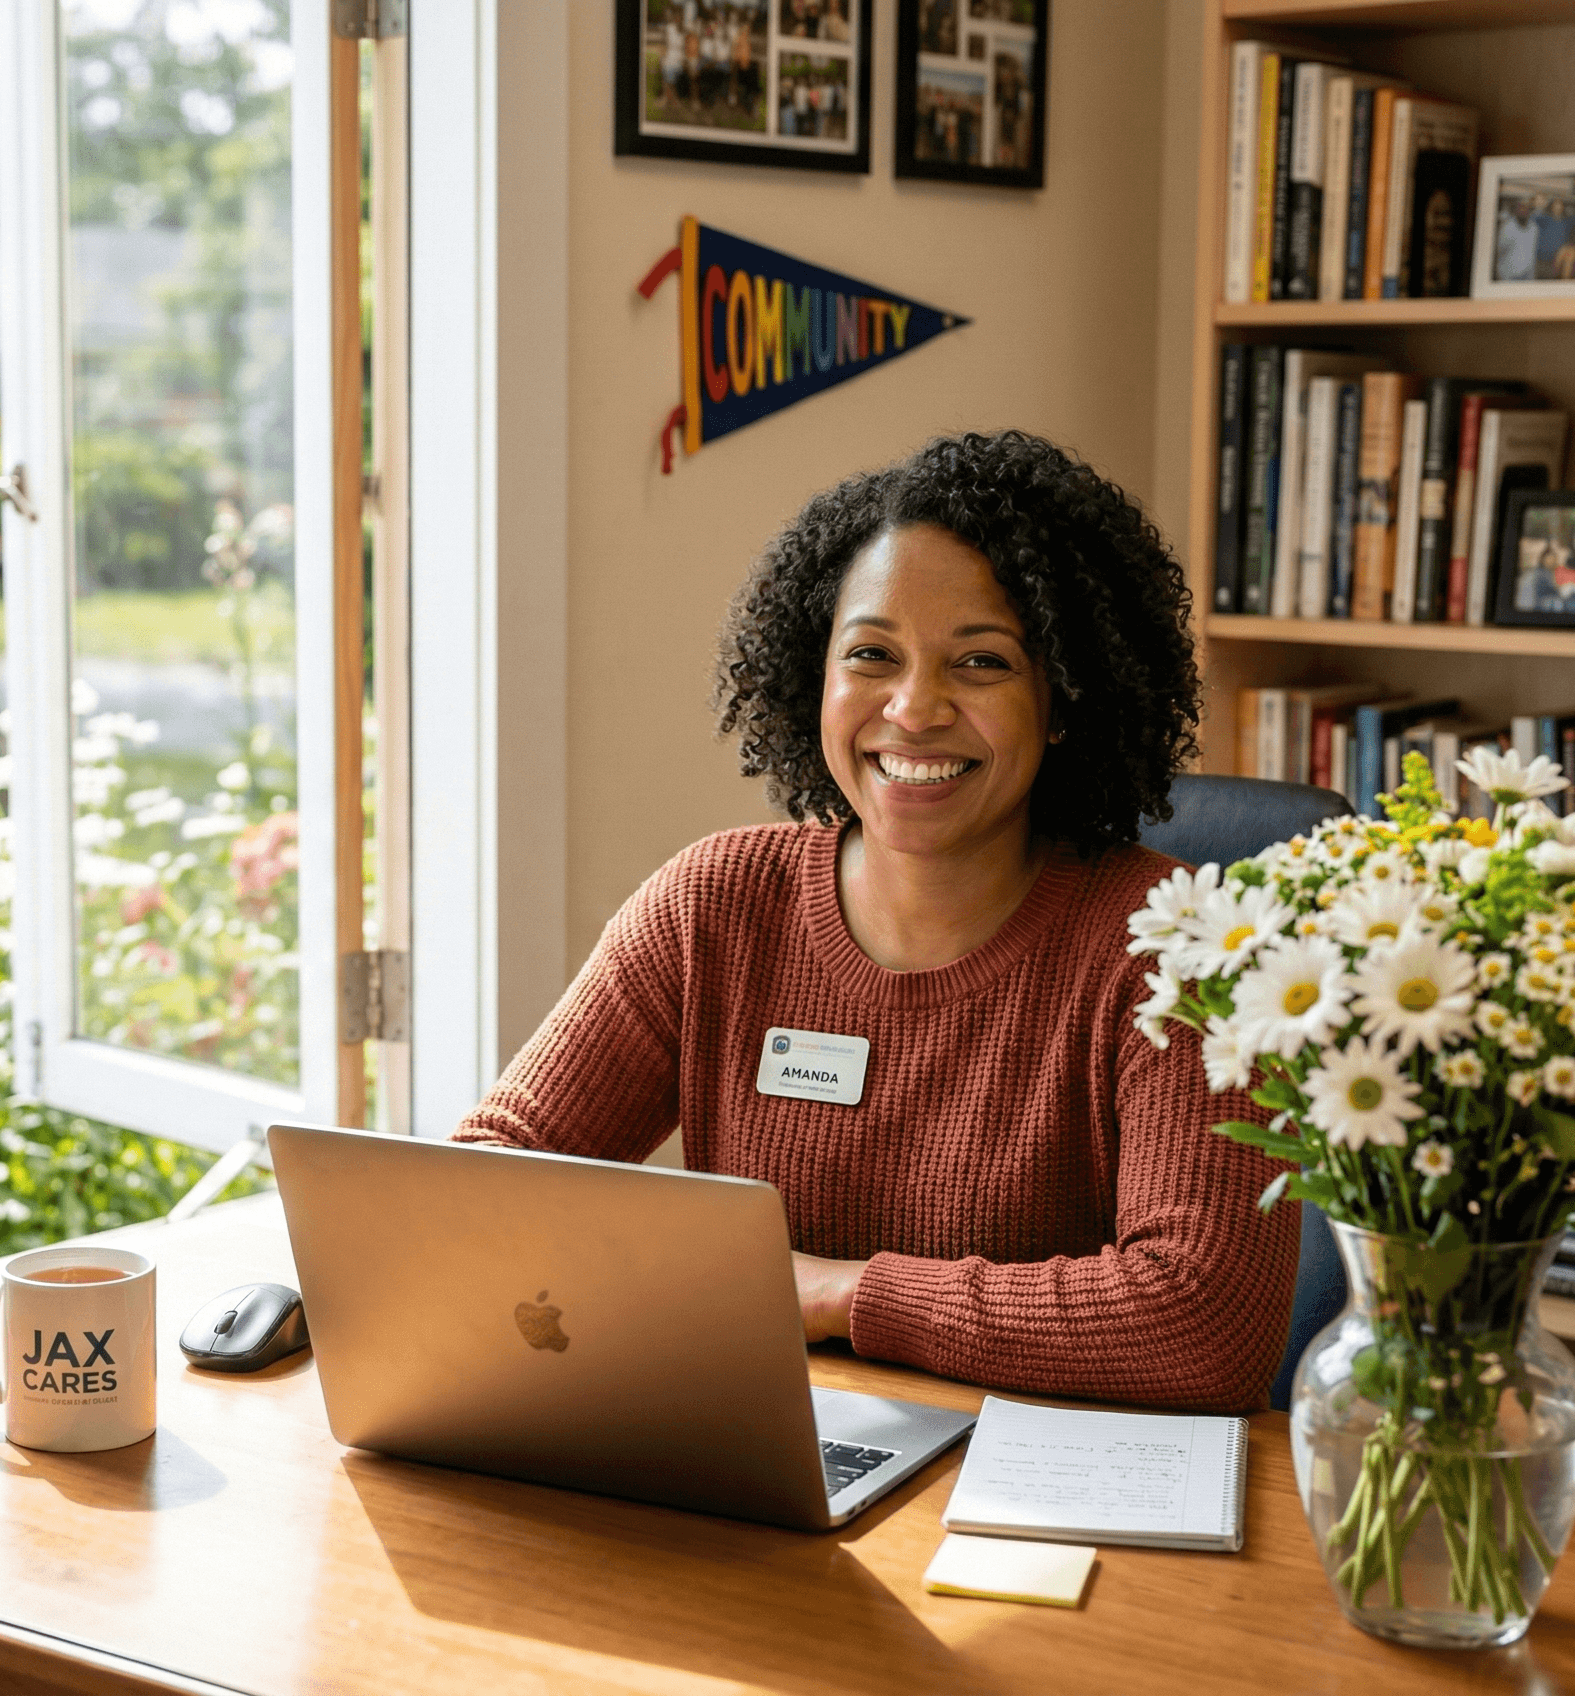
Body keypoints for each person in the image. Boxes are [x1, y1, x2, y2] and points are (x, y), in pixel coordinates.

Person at [455, 433, 1297, 1415]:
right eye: (870, 655)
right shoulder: (712, 905)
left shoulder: (1184, 947)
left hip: (1054, 1511)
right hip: (767, 1460)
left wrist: (833, 1294)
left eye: (979, 662)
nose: (912, 707)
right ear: (812, 674)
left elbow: (1198, 1323)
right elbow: (489, 1187)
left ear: (1062, 699)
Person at [1496, 196, 1540, 282]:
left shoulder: (1534, 228)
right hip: (1509, 275)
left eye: (1526, 208)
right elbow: (1499, 249)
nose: (1523, 211)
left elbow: (1533, 252)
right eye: (1521, 208)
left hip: (1528, 275)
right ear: (1516, 210)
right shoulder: (1507, 227)